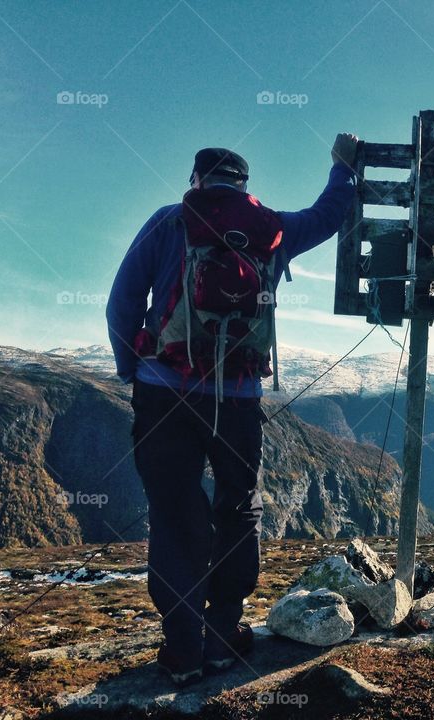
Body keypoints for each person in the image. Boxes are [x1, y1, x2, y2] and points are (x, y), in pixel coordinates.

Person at [105, 134, 358, 684]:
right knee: (238, 507)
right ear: (245, 185)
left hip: (166, 393)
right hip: (239, 398)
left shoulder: (167, 221)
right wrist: (341, 167)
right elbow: (328, 215)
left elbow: (122, 302)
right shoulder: (270, 230)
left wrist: (134, 371)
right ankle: (223, 636)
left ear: (196, 180)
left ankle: (181, 651)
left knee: (174, 512)